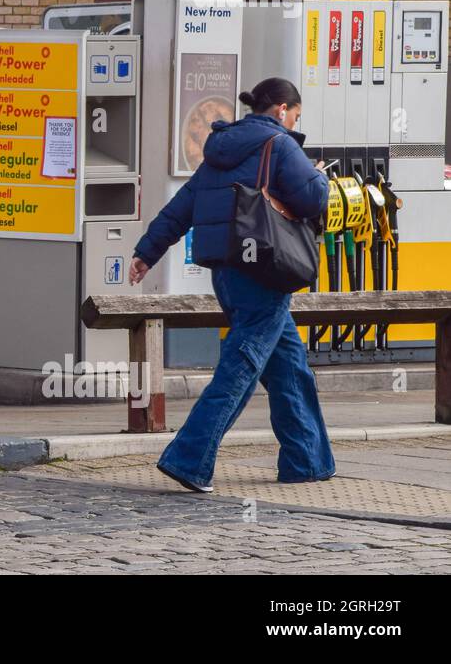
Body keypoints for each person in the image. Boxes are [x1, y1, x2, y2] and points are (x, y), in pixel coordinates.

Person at [128, 76, 332, 493]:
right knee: (239, 370)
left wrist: (147, 252)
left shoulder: (218, 150)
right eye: (295, 115)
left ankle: (306, 461)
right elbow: (314, 200)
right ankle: (189, 458)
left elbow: (181, 207)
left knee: (289, 368)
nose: (295, 123)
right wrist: (318, 176)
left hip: (227, 271)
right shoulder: (280, 145)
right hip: (265, 273)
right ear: (281, 110)